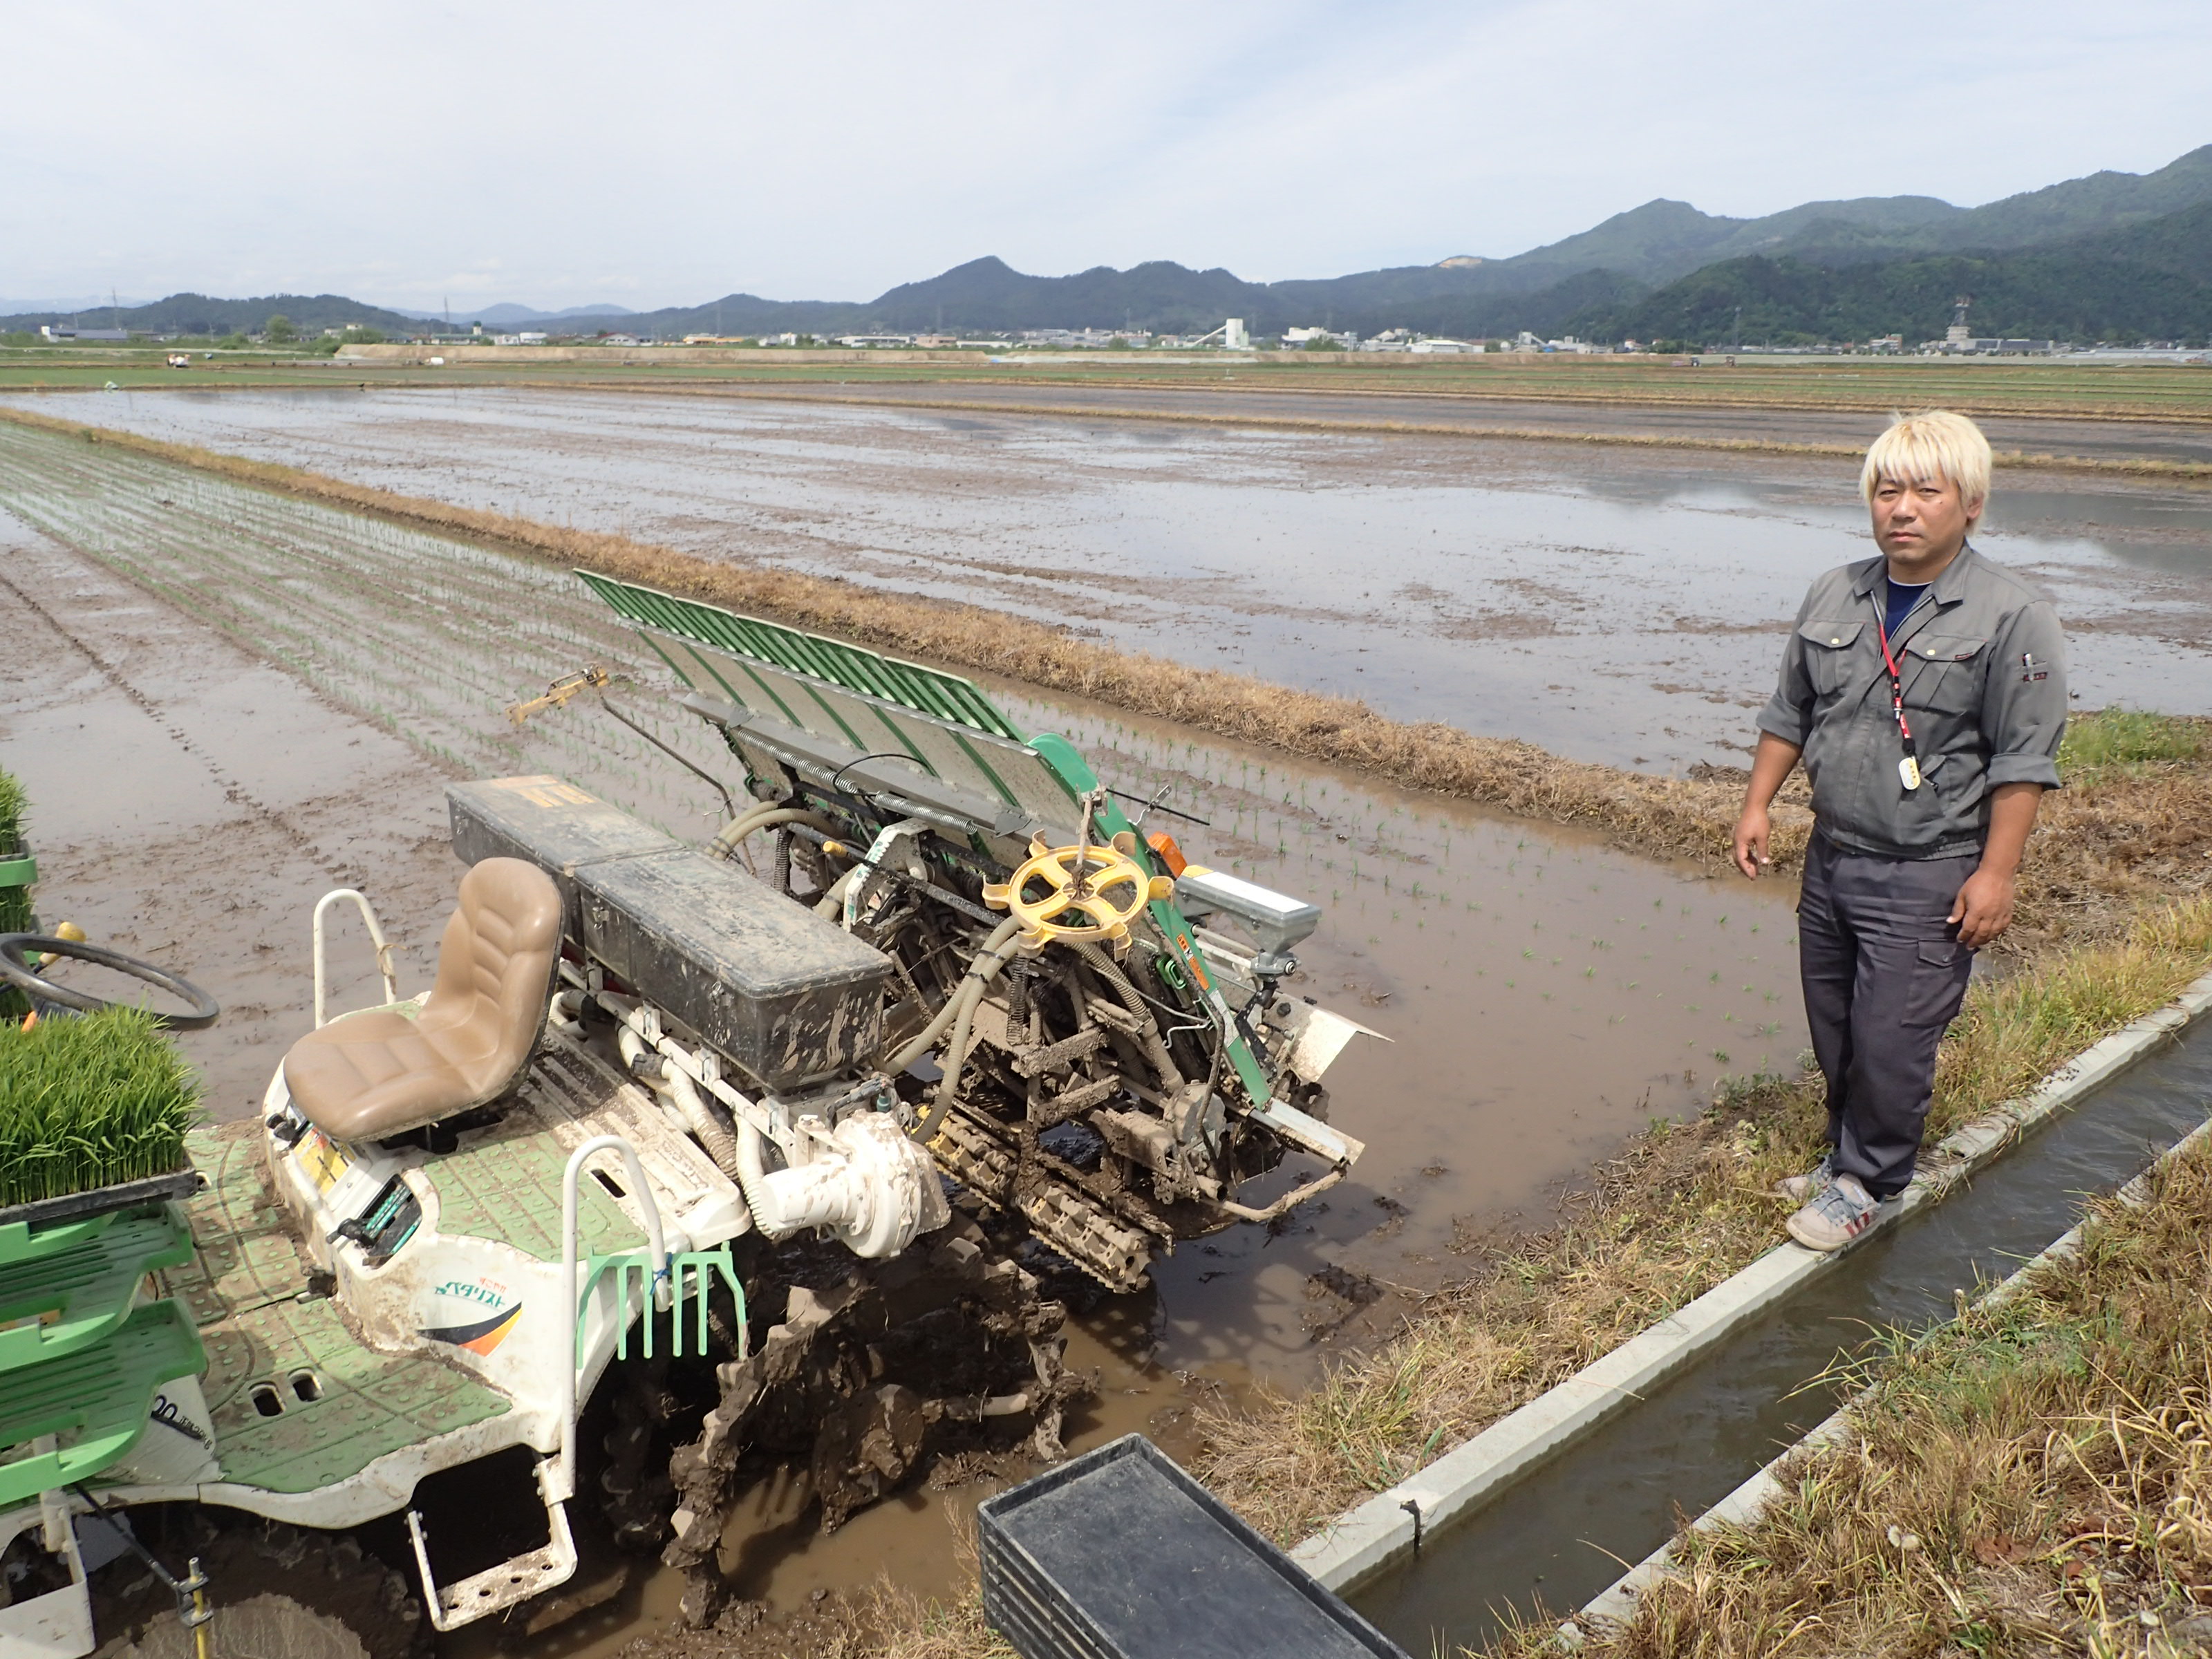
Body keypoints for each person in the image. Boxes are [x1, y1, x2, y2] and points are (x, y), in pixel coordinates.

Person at [1732, 410, 2066, 1251]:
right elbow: (1788, 712)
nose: (1902, 508)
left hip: (1928, 867)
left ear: (1971, 504)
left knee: (1892, 1036)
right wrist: (1756, 804)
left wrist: (1994, 875)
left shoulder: (2010, 615)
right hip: (1833, 854)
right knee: (1836, 1021)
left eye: (1925, 490)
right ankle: (1843, 1155)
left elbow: (2022, 762)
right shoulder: (1833, 591)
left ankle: (1868, 1181)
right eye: (1887, 490)